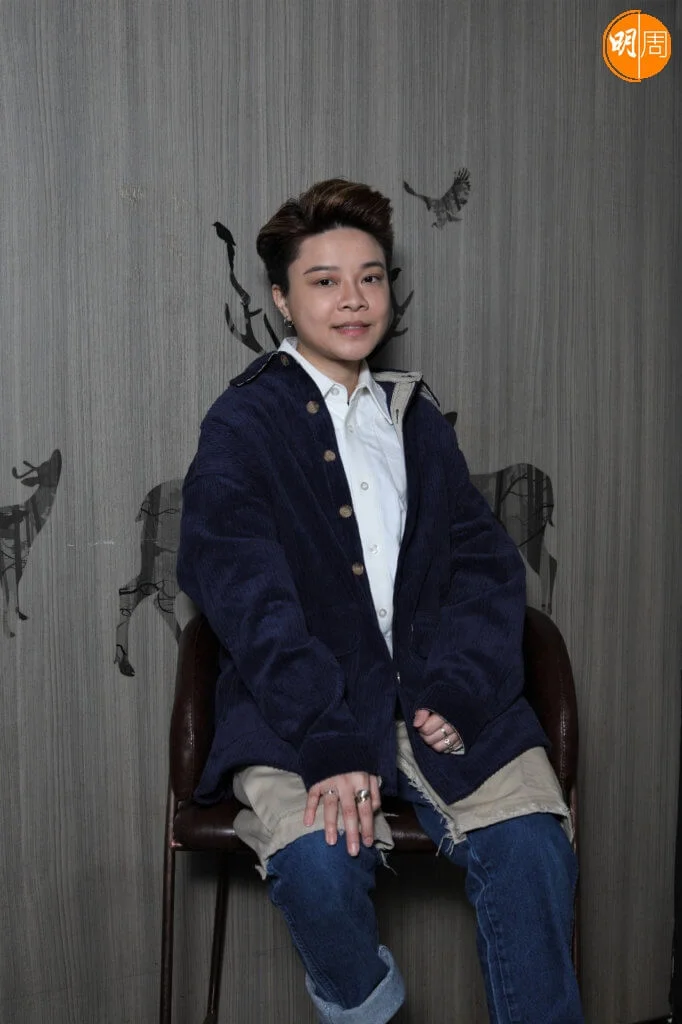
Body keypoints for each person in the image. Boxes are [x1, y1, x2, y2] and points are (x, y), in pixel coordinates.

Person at [177, 178, 583, 1023]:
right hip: (301, 710)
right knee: (319, 868)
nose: (354, 299)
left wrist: (464, 688)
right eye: (324, 281)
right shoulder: (242, 425)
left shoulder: (414, 416)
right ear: (282, 300)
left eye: (370, 277)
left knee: (534, 849)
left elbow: (486, 568)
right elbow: (244, 595)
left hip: (437, 700)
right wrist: (327, 733)